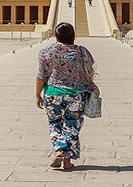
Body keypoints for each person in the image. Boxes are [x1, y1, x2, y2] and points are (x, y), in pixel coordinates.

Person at [35, 22, 99, 169]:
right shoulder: (82, 52)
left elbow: (41, 75)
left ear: (55, 35)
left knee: (54, 123)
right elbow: (90, 69)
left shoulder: (46, 51)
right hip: (76, 94)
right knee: (71, 125)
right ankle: (67, 161)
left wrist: (37, 95)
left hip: (52, 93)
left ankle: (58, 150)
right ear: (73, 36)